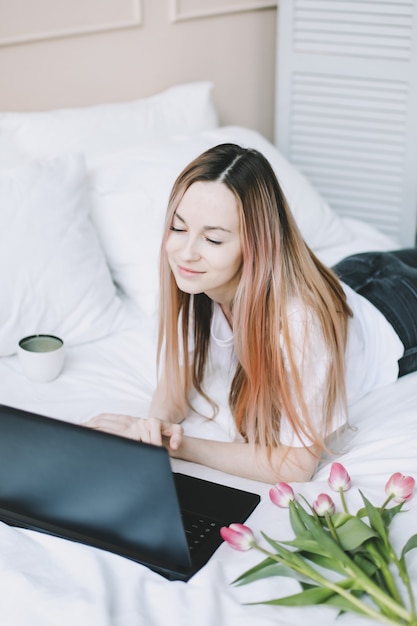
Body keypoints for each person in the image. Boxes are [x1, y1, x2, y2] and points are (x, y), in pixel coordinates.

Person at [86, 143, 417, 483]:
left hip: (396, 311)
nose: (185, 253)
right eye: (178, 227)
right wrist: (151, 430)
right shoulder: (192, 281)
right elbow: (173, 395)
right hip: (354, 272)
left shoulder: (298, 324)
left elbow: (295, 466)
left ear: (256, 246)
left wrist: (180, 447)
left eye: (212, 240)